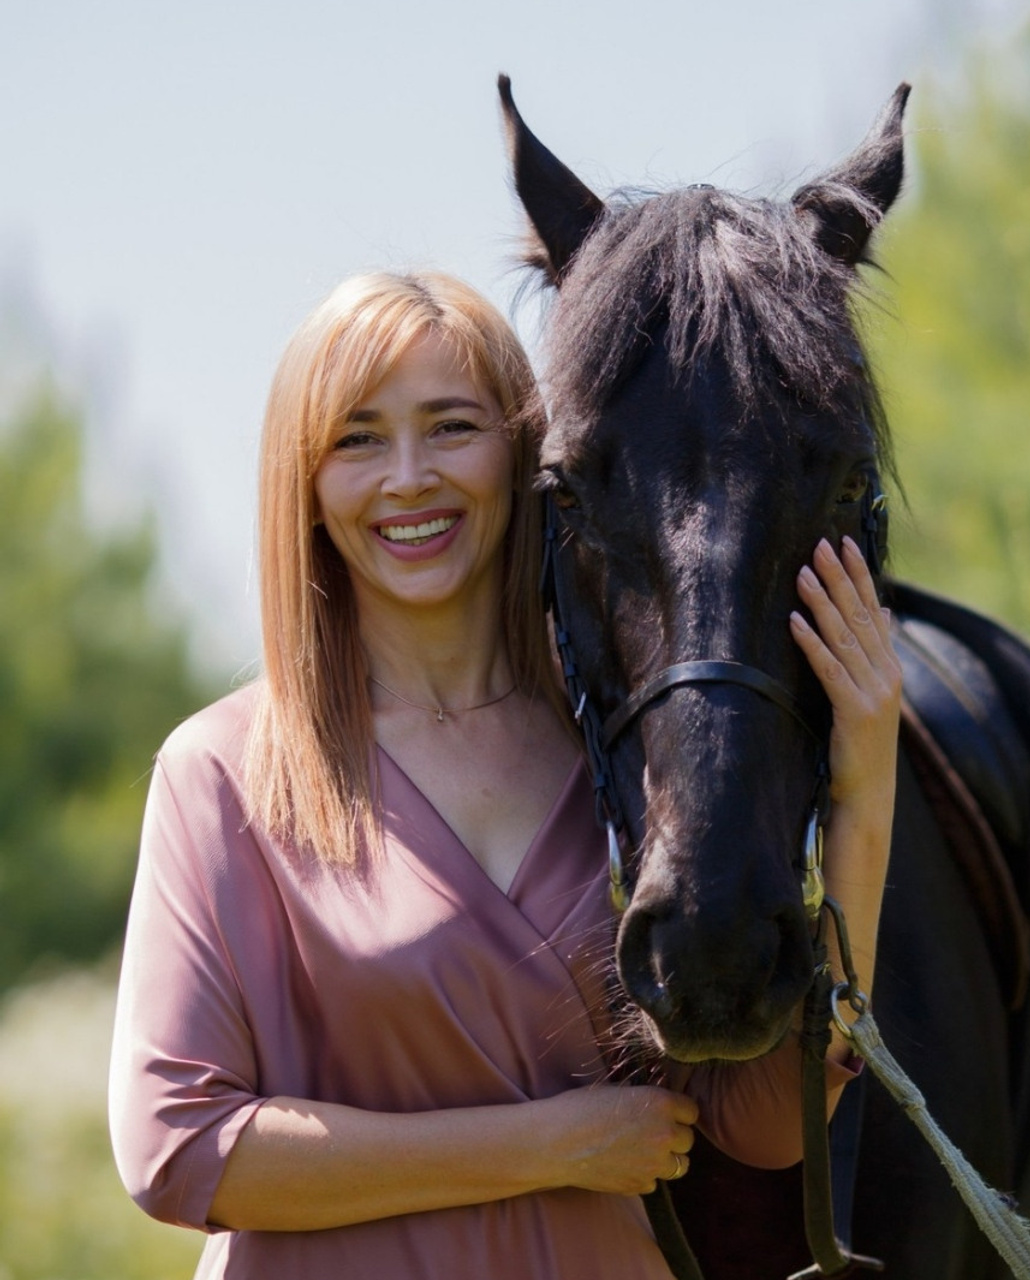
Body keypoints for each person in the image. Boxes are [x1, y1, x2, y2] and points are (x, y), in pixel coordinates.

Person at [108, 269, 901, 1279]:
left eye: (452, 427)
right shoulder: (224, 771)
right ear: (303, 481)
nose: (409, 477)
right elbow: (175, 1146)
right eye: (357, 438)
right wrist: (547, 1147)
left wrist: (864, 793)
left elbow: (765, 1124)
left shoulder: (612, 756)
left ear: (526, 456)